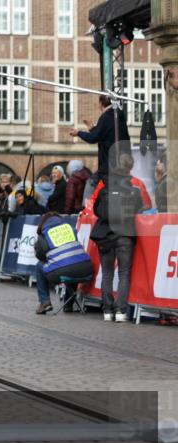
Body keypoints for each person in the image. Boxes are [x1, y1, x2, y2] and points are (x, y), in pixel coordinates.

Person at [90, 153, 148, 323]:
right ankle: (121, 311)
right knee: (124, 274)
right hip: (125, 235)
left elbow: (96, 211)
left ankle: (107, 310)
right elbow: (140, 210)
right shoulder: (134, 190)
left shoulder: (104, 189)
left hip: (105, 236)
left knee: (107, 274)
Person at [33, 212, 94, 315]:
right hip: (86, 270)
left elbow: (40, 256)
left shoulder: (44, 234)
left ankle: (45, 302)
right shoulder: (70, 228)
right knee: (72, 263)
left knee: (40, 266)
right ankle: (68, 305)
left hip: (63, 272)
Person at [69, 95, 131, 185]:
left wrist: (78, 133)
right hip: (120, 163)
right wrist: (93, 129)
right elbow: (106, 135)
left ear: (101, 103)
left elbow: (93, 138)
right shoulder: (118, 116)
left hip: (109, 165)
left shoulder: (106, 117)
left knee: (95, 187)